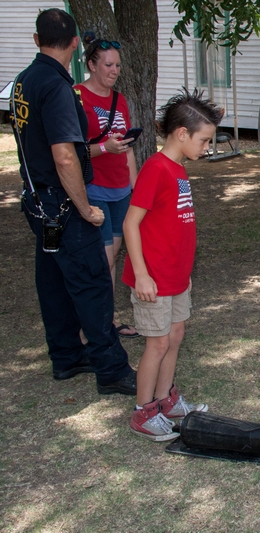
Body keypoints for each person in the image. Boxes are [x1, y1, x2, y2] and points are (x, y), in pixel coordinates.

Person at [13, 8, 136, 395]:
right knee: (93, 282)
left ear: (37, 40)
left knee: (53, 281)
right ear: (73, 43)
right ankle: (113, 369)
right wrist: (84, 209)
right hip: (60, 205)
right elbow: (65, 155)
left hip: (38, 201)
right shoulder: (57, 87)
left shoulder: (24, 81)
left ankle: (66, 355)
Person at [122, 89, 223, 440]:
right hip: (154, 279)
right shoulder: (156, 169)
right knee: (158, 343)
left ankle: (165, 400)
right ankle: (143, 412)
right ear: (182, 134)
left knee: (175, 335)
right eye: (204, 141)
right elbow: (130, 223)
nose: (207, 148)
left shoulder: (178, 168)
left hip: (178, 276)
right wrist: (142, 275)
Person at [75, 31, 139, 338]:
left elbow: (126, 147)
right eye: (108, 65)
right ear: (91, 64)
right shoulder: (76, 97)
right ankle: (91, 326)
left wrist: (135, 186)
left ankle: (106, 321)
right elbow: (69, 152)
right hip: (93, 189)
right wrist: (103, 149)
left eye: (117, 66)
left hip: (121, 189)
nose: (114, 71)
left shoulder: (120, 100)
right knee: (101, 259)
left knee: (111, 256)